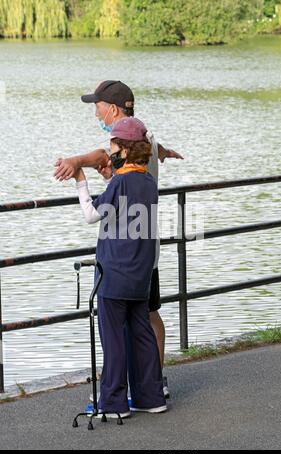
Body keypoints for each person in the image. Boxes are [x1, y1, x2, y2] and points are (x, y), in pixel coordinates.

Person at [54, 80, 184, 398]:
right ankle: (151, 383)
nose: (95, 114)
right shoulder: (144, 137)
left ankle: (133, 385)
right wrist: (164, 154)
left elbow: (100, 155)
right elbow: (151, 151)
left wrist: (75, 163)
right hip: (144, 248)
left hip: (129, 253)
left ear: (111, 109)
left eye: (97, 108)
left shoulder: (123, 140)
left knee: (133, 317)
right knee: (145, 314)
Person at [74, 117, 167, 417]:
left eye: (113, 144)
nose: (110, 148)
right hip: (140, 274)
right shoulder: (147, 181)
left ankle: (114, 402)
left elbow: (92, 215)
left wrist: (80, 181)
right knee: (141, 336)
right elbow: (125, 209)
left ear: (124, 150)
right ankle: (151, 397)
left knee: (113, 339)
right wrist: (109, 179)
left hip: (114, 274)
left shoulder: (121, 180)